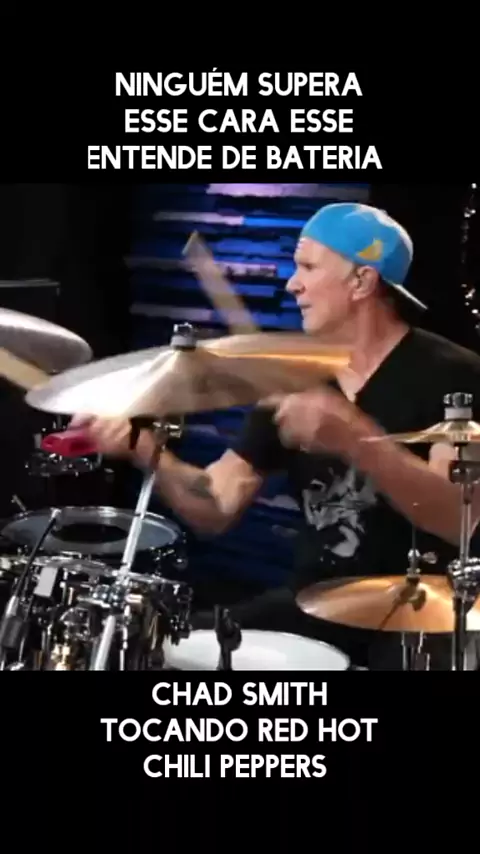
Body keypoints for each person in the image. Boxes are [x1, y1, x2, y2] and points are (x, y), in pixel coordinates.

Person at [71, 202, 480, 669]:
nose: (292, 284)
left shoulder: (453, 374)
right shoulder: (299, 377)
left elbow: (459, 517)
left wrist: (356, 439)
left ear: (361, 281)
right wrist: (144, 449)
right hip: (316, 603)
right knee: (171, 651)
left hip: (423, 619)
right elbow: (216, 507)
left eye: (308, 267)